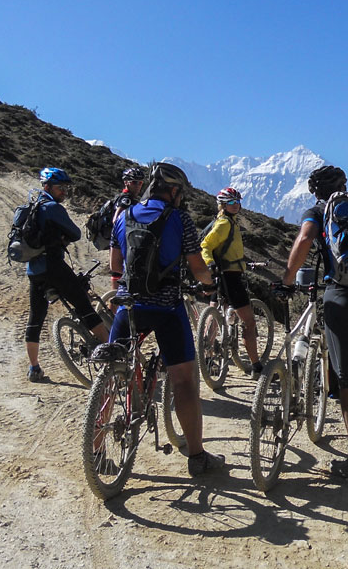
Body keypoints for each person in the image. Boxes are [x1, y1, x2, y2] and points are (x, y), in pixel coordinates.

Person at [104, 162, 226, 477]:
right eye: (180, 192)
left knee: (110, 373)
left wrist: (123, 289)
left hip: (129, 307)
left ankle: (97, 451)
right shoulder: (179, 219)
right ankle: (197, 457)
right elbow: (197, 266)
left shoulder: (125, 215)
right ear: (172, 190)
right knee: (184, 380)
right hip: (167, 307)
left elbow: (115, 264)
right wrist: (209, 284)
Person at [280, 165, 348, 481]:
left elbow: (304, 241)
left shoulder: (316, 210)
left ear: (315, 191)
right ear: (344, 184)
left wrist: (287, 278)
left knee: (347, 379)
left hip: (341, 297)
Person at [24, 167, 108, 383]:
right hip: (53, 266)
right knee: (84, 306)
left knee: (35, 318)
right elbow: (76, 233)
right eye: (61, 188)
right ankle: (113, 357)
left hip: (34, 270)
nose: (64, 192)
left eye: (66, 188)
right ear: (47, 187)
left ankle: (34, 369)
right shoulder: (52, 208)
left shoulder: (30, 206)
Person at [200, 187, 262, 377]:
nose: (236, 206)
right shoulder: (225, 224)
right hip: (230, 277)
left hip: (222, 275)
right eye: (231, 203)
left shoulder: (226, 221)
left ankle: (208, 356)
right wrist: (210, 264)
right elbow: (206, 246)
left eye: (238, 202)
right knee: (249, 322)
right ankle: (257, 366)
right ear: (223, 205)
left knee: (216, 311)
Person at [107, 166, 147, 290]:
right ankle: (113, 309)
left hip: (119, 241)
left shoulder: (126, 198)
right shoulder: (126, 199)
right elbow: (116, 219)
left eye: (140, 182)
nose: (138, 185)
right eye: (134, 182)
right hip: (122, 242)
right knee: (120, 279)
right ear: (126, 183)